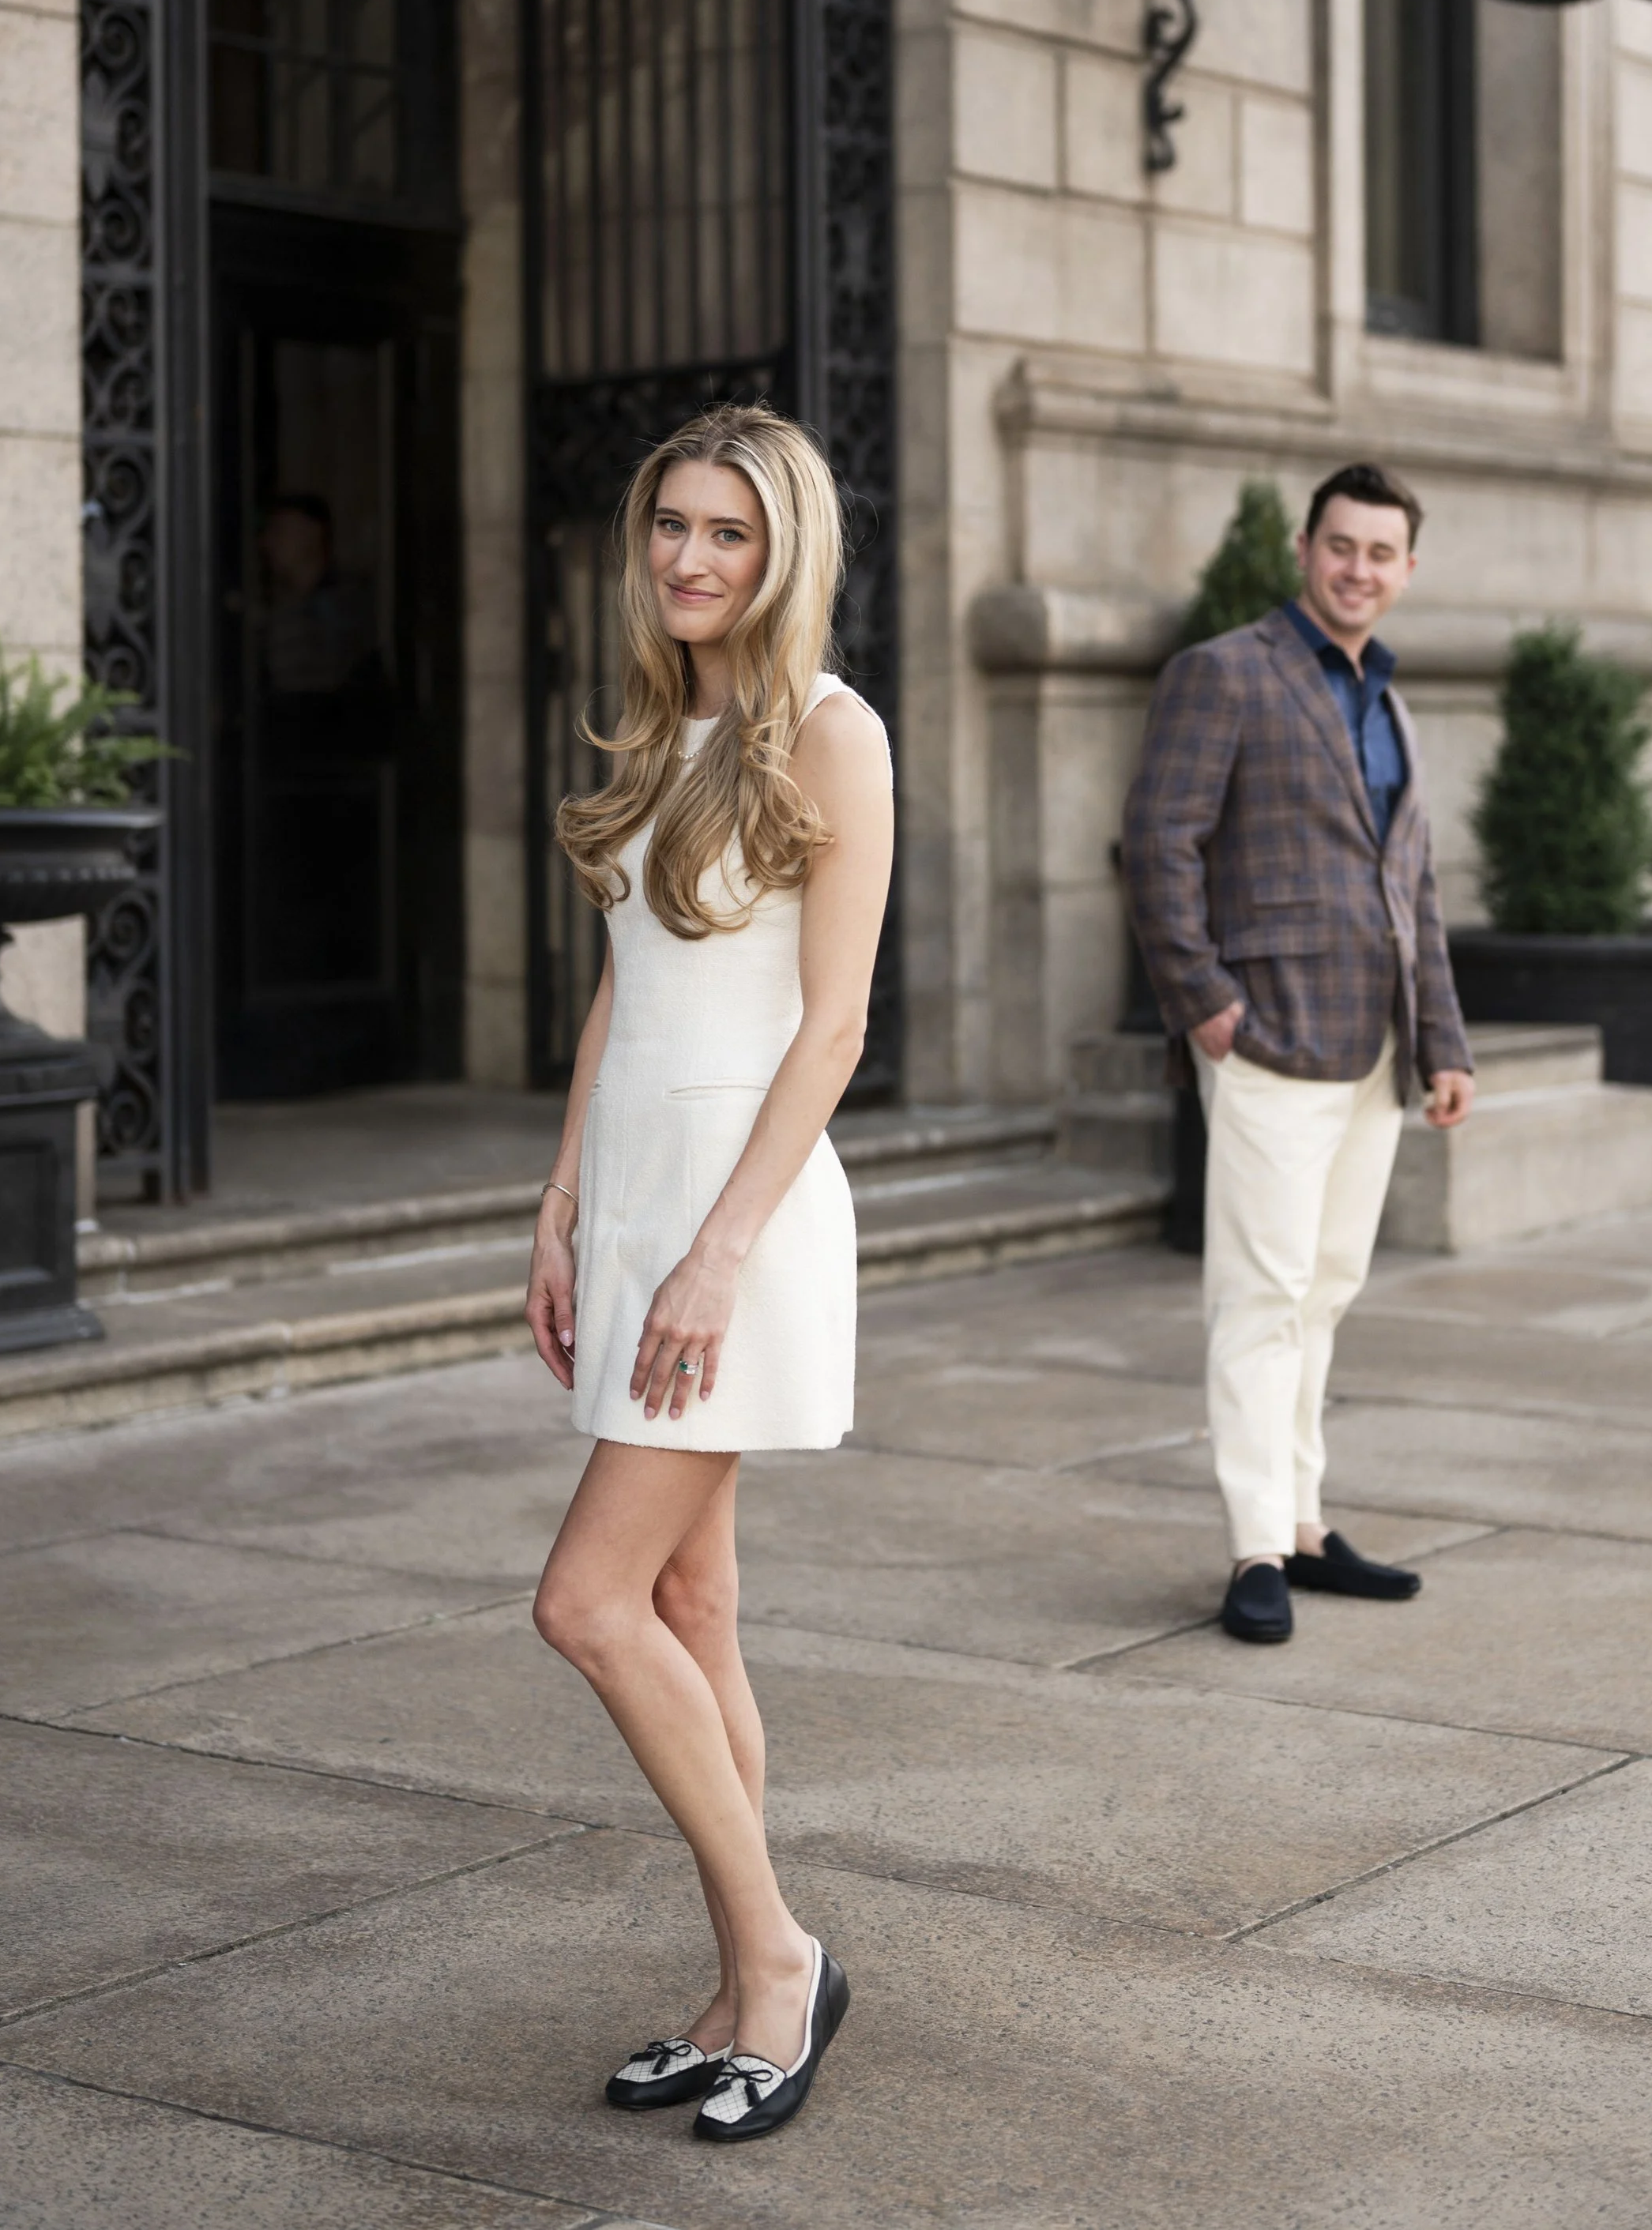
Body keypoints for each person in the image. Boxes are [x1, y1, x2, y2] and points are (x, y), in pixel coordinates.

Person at [524, 404, 894, 2144]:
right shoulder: (678, 725)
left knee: (584, 1604)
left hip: (735, 1228)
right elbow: (627, 988)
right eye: (668, 524)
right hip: (638, 1203)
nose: (686, 557)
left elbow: (831, 1027)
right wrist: (561, 1201)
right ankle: (733, 1977)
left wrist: (709, 1257)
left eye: (725, 533)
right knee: (687, 1608)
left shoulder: (830, 731)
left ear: (785, 552)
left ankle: (776, 1961)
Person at [1123, 461, 1475, 1647]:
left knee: (1324, 1294)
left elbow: (1412, 886)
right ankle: (1254, 1548)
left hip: (1375, 1049)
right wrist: (1207, 1006)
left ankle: (1309, 1526)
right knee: (1260, 1296)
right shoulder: (1224, 673)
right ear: (1304, 547)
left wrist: (1443, 1042)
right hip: (1269, 1036)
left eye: (1382, 554)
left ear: (1407, 571)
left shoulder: (1389, 701)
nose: (1359, 569)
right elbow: (1159, 842)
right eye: (1341, 546)